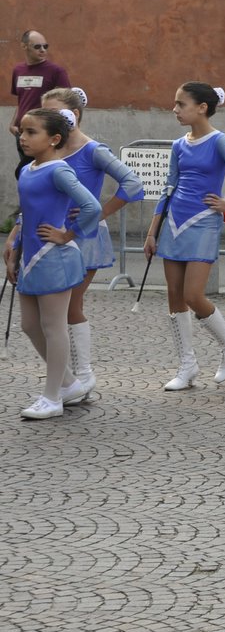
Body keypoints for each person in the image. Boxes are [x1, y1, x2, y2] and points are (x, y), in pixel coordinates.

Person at [144, 83, 225, 390]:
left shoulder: (220, 141)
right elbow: (169, 186)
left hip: (203, 221)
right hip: (174, 222)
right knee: (174, 295)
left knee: (193, 295)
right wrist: (153, 231)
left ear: (202, 107)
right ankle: (186, 365)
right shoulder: (179, 145)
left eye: (181, 104)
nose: (175, 109)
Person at [40, 87, 143, 396]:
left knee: (71, 305)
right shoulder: (50, 149)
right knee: (53, 310)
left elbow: (133, 183)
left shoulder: (93, 150)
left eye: (55, 113)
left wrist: (98, 214)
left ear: (75, 115)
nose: (49, 120)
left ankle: (82, 376)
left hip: (83, 237)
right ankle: (70, 378)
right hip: (51, 235)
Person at [5, 108, 102, 418]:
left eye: (32, 132)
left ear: (54, 139)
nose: (23, 137)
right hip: (30, 257)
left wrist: (68, 234)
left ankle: (52, 398)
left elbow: (91, 205)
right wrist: (14, 248)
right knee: (30, 325)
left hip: (53, 257)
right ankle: (71, 383)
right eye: (22, 131)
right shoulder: (29, 169)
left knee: (53, 327)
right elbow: (28, 212)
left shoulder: (58, 170)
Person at [11, 30, 71, 179]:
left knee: (25, 172)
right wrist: (13, 123)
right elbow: (21, 100)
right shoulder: (18, 70)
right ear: (24, 46)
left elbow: (66, 102)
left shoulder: (56, 71)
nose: (43, 50)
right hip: (21, 133)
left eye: (45, 46)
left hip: (42, 133)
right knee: (28, 174)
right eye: (37, 46)